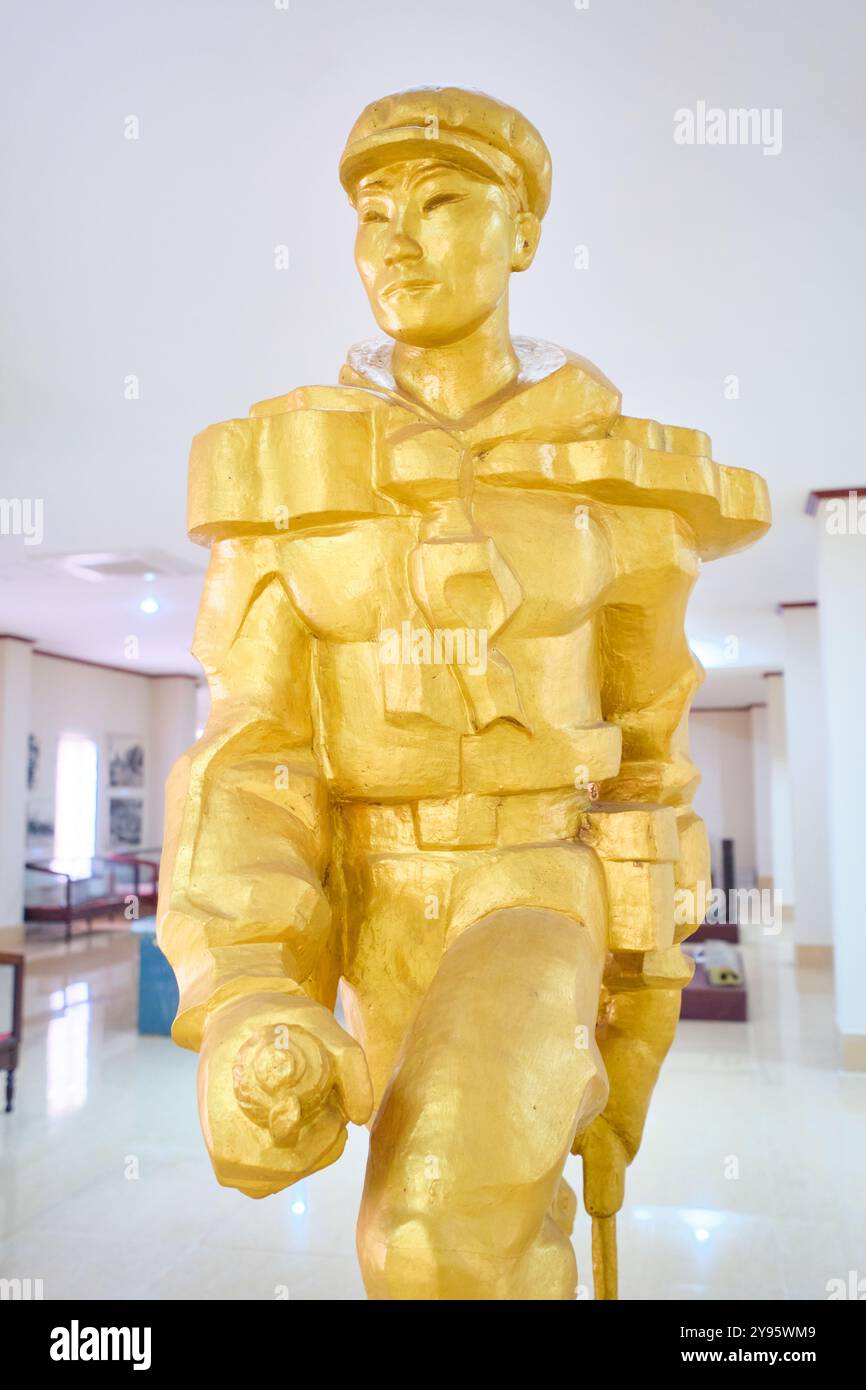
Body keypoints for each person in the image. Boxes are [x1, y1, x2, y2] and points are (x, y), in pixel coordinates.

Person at [158, 86, 769, 1300]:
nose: (396, 239)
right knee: (474, 1229)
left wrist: (638, 1019)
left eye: (441, 202)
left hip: (533, 886)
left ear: (522, 233)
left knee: (429, 1239)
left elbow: (649, 760)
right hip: (373, 902)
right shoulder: (287, 477)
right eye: (372, 212)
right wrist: (250, 983)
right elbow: (253, 751)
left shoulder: (612, 483)